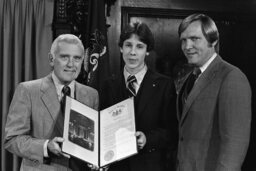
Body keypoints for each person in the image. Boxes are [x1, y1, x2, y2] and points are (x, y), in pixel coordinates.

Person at [4, 34, 99, 171]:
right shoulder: (28, 90)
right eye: (64, 57)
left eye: (77, 58)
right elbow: (11, 139)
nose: (71, 64)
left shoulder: (91, 95)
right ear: (51, 59)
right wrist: (46, 146)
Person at [175, 13, 251, 171]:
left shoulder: (232, 77)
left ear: (213, 40)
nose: (187, 46)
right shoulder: (189, 77)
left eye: (195, 39)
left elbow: (234, 146)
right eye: (183, 40)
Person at [100, 22, 178, 171]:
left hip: (150, 166)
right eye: (128, 45)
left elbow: (172, 133)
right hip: (117, 167)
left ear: (147, 50)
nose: (133, 52)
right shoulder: (108, 85)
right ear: (121, 48)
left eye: (140, 46)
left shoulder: (164, 85)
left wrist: (147, 139)